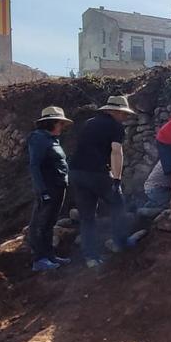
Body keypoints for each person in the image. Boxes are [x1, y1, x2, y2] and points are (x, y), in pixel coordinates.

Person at [69, 95, 136, 268]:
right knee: (118, 204)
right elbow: (116, 152)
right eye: (123, 113)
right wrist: (117, 178)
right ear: (114, 111)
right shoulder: (115, 126)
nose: (125, 117)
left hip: (76, 172)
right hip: (96, 172)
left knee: (87, 217)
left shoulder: (89, 123)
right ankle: (119, 242)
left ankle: (91, 257)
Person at [26, 106, 73, 272]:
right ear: (51, 123)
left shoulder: (52, 139)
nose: (62, 127)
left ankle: (50, 255)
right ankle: (39, 259)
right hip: (48, 188)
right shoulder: (38, 138)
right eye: (60, 123)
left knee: (50, 223)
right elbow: (35, 165)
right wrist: (41, 190)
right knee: (41, 223)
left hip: (58, 186)